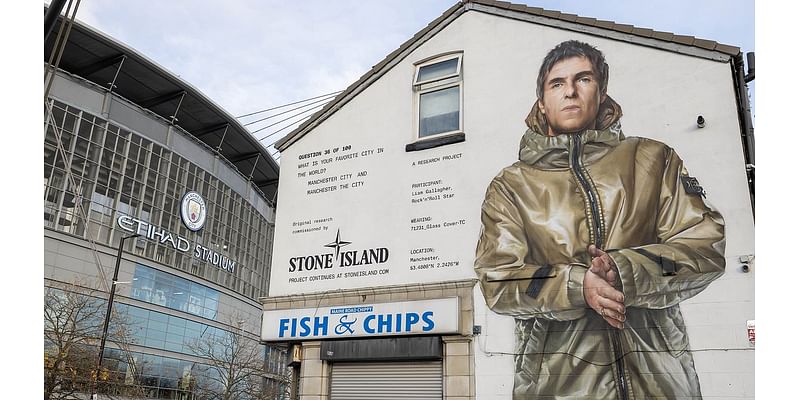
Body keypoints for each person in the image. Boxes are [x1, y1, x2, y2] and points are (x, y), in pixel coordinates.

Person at [474, 40, 726, 399]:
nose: (571, 92)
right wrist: (579, 286)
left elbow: (704, 247)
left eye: (583, 79)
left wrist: (625, 270)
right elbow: (498, 281)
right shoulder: (511, 187)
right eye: (557, 84)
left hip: (661, 385)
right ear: (542, 103)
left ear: (602, 92)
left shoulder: (654, 160)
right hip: (556, 388)